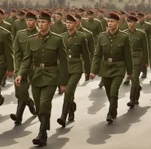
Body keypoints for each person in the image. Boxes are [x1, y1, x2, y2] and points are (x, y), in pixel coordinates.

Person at [15, 12, 69, 146]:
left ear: (49, 24)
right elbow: (26, 59)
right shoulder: (32, 39)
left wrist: (63, 82)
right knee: (39, 107)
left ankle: (42, 133)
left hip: (51, 76)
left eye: (43, 22)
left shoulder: (57, 39)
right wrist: (20, 74)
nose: (40, 24)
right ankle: (43, 129)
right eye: (39, 22)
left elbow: (63, 61)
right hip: (36, 75)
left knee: (45, 104)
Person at [90, 13, 132, 124]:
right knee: (109, 91)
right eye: (108, 21)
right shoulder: (102, 36)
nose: (109, 23)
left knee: (114, 90)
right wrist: (93, 71)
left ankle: (109, 113)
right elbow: (97, 55)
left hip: (119, 67)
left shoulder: (124, 36)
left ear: (118, 23)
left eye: (112, 21)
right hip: (106, 67)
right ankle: (114, 107)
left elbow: (128, 56)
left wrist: (130, 72)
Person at [57, 14, 91, 127]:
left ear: (75, 24)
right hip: (64, 67)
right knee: (69, 92)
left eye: (70, 23)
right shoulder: (61, 36)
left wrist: (87, 70)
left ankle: (63, 116)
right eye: (66, 23)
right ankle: (71, 110)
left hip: (76, 67)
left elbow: (86, 55)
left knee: (68, 90)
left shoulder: (81, 37)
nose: (68, 25)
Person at [10, 11, 39, 125]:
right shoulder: (20, 34)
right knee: (19, 93)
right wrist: (18, 70)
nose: (28, 22)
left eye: (31, 20)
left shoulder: (40, 34)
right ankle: (30, 103)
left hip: (36, 68)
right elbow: (17, 54)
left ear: (36, 21)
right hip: (22, 67)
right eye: (27, 20)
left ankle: (18, 117)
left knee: (23, 93)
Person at [125, 16, 148, 108]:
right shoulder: (124, 33)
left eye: (132, 22)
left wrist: (145, 61)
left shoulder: (141, 34)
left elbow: (145, 49)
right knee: (133, 78)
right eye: (128, 22)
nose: (130, 23)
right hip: (127, 58)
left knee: (134, 77)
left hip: (137, 57)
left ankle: (132, 99)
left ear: (135, 23)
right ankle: (137, 88)